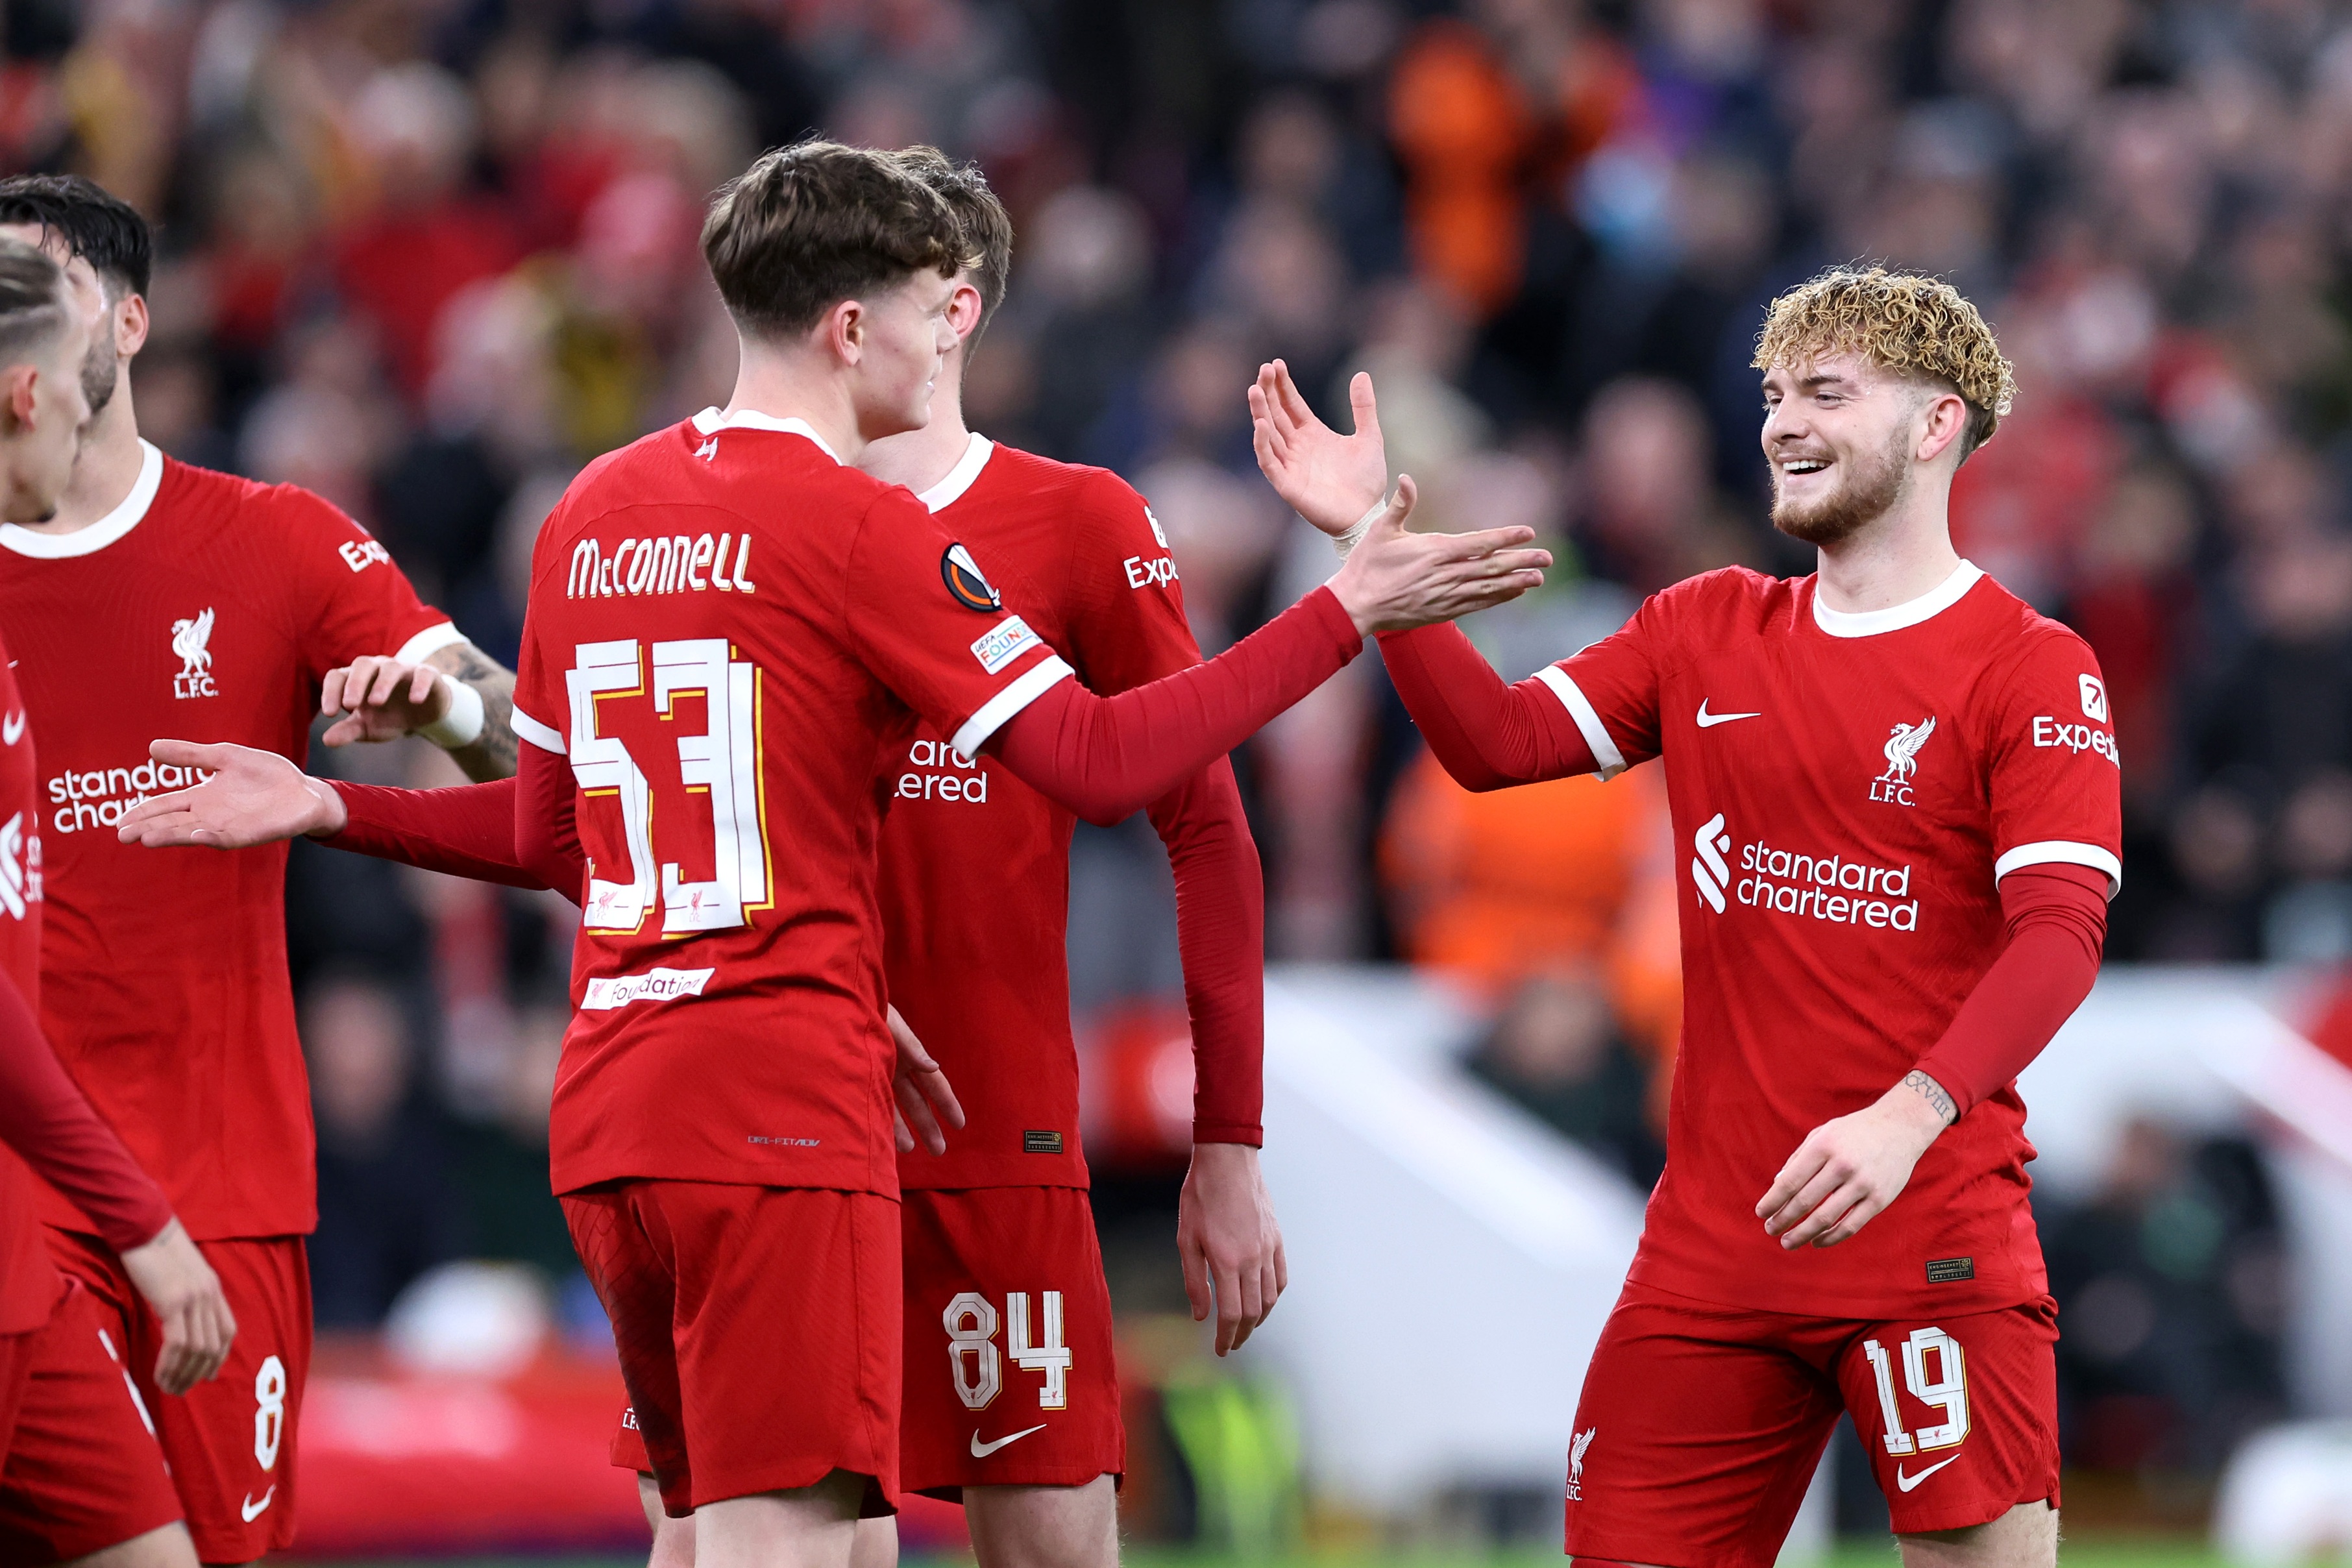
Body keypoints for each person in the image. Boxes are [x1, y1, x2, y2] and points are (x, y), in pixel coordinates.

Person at [114, 140, 1546, 1568]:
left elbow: (564, 835)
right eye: (925, 306)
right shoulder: (864, 527)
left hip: (680, 1106)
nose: (945, 338)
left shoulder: (593, 508)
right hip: (790, 1112)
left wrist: (330, 805)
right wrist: (1344, 604)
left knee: (769, 1536)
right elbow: (1106, 758)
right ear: (863, 320)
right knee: (784, 1540)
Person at [1250, 265, 2118, 1568]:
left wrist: (1912, 1109)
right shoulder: (1708, 625)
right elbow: (1493, 744)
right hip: (1714, 1255)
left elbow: (2059, 930)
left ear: (1939, 424)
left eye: (1829, 390)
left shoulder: (2031, 664)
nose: (1782, 421)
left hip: (1928, 1239)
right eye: (1775, 394)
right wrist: (1371, 561)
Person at [606, 147, 1280, 1568]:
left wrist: (1228, 1137)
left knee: (1043, 1544)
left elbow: (1202, 824)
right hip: (775, 1110)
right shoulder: (720, 516)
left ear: (951, 310)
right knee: (755, 1536)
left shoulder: (1075, 519)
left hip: (988, 1133)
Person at [0, 174, 522, 1562]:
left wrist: (441, 710)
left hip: (222, 1183)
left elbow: (524, 754)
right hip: (17, 1208)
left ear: (130, 320)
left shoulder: (276, 538)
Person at [0, 235, 238, 1568]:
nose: (88, 426)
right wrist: (143, 1222)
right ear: (31, 393)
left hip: (20, 1263)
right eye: (77, 392)